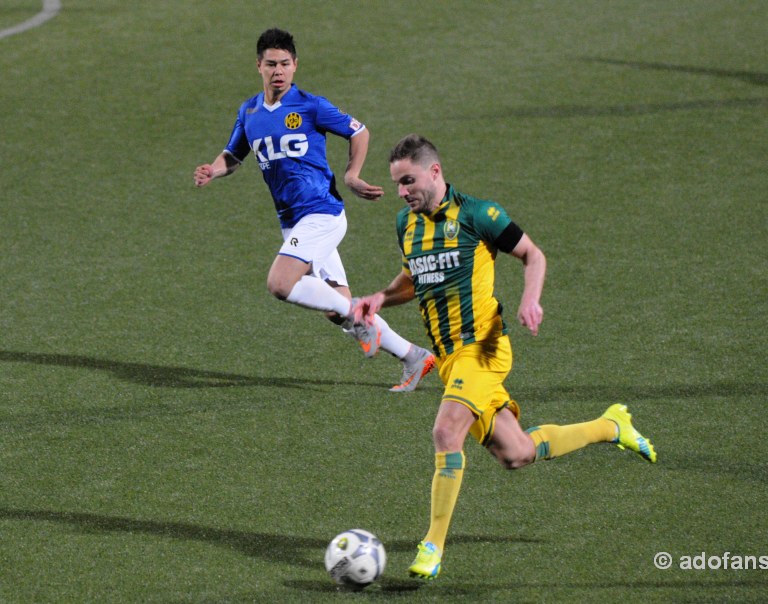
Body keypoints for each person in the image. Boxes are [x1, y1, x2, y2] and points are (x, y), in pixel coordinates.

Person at [353, 134, 657, 579]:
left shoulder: (480, 214)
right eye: (398, 184)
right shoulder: (406, 224)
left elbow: (533, 255)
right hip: (452, 360)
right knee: (516, 454)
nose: (402, 191)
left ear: (434, 172)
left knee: (445, 431)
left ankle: (432, 545)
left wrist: (530, 300)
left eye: (408, 181)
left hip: (485, 348)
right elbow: (414, 277)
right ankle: (611, 426)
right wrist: (380, 297)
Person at [193, 28, 434, 392]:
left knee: (280, 283)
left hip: (322, 213)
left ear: (295, 66)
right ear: (258, 66)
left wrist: (352, 174)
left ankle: (361, 317)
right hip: (291, 222)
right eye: (271, 64)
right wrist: (214, 169)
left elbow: (360, 131)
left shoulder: (310, 105)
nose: (279, 70)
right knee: (333, 307)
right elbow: (234, 155)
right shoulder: (250, 111)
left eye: (285, 64)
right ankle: (414, 356)